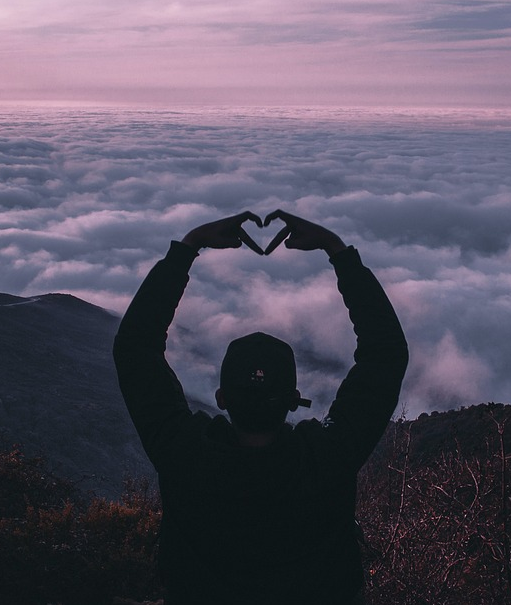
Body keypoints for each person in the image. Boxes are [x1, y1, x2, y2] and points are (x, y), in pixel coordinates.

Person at [113, 209, 409, 605]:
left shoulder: (185, 455)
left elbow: (136, 349)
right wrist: (336, 250)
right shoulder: (326, 459)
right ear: (293, 402)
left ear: (221, 398)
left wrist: (189, 247)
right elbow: (385, 355)